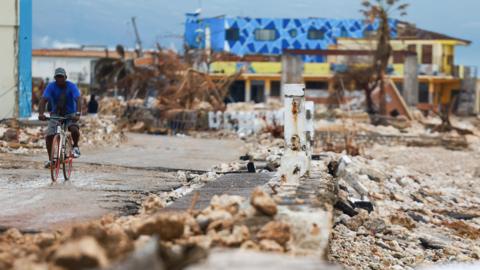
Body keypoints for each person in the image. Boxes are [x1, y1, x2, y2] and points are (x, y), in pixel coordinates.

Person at [38, 68, 82, 168]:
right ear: (55, 78)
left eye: (61, 77)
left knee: (74, 130)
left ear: (65, 77)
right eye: (57, 77)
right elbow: (43, 100)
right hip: (56, 114)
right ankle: (51, 160)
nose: (59, 79)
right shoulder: (51, 86)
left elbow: (78, 99)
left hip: (70, 114)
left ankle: (75, 146)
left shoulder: (72, 86)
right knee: (49, 136)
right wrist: (41, 114)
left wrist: (78, 114)